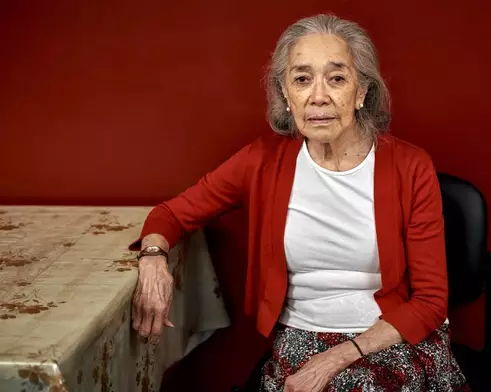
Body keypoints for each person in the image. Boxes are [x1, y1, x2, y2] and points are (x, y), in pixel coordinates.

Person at [129, 14, 469, 392]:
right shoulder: (261, 162)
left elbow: (431, 301)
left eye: (337, 78)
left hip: (391, 338)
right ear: (286, 94)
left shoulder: (410, 166)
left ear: (361, 92)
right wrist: (153, 258)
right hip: (301, 337)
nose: (318, 96)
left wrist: (338, 357)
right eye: (302, 79)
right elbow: (171, 213)